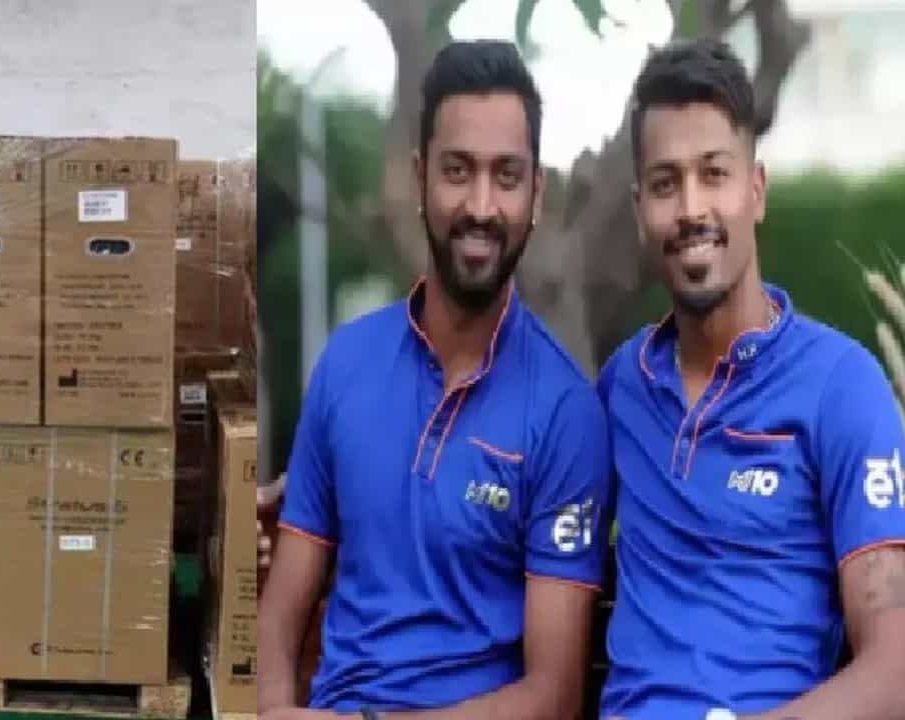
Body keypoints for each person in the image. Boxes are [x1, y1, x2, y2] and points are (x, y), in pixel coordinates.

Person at [257, 39, 614, 720]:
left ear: (536, 194)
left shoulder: (566, 412)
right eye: (458, 170)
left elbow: (553, 697)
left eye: (506, 176)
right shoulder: (347, 361)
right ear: (420, 178)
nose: (480, 204)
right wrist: (275, 709)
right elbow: (282, 609)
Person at [598, 38, 905, 719]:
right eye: (665, 184)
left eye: (714, 174)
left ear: (756, 191)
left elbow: (896, 670)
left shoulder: (841, 387)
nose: (691, 208)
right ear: (641, 208)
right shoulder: (622, 386)